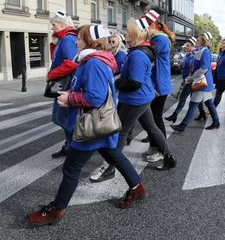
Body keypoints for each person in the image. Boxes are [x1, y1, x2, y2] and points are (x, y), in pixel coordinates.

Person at [26, 25, 145, 227]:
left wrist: (70, 98)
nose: (75, 41)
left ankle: (56, 210)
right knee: (114, 155)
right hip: (101, 124)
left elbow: (95, 97)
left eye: (80, 38)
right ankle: (137, 188)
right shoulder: (93, 60)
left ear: (90, 41)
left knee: (71, 169)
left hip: (91, 125)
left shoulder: (93, 64)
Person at [89, 18, 176, 182]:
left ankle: (110, 167)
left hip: (135, 98)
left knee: (120, 133)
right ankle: (169, 157)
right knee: (152, 127)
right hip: (141, 97)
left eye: (128, 31)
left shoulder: (137, 54)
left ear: (136, 34)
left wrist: (116, 82)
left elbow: (134, 83)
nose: (125, 33)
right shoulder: (139, 50)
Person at [171, 32, 220, 132]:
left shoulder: (205, 52)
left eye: (198, 40)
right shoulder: (198, 51)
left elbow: (204, 69)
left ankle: (182, 126)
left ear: (203, 41)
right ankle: (216, 122)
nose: (196, 42)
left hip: (202, 83)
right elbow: (193, 66)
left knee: (193, 104)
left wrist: (191, 78)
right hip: (200, 82)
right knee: (210, 104)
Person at [141, 8, 174, 144]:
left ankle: (162, 148)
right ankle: (153, 137)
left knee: (156, 117)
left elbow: (145, 56)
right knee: (151, 116)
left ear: (151, 25)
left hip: (158, 84)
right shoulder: (156, 38)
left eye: (143, 26)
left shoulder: (159, 39)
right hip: (156, 82)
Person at [48, 10, 78, 159]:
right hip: (63, 83)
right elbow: (58, 59)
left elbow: (71, 63)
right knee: (61, 118)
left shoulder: (67, 39)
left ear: (61, 24)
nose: (52, 28)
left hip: (64, 84)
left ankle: (75, 145)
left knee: (61, 118)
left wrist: (51, 74)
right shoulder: (63, 39)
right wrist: (53, 45)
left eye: (53, 25)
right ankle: (69, 146)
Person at [164, 37, 197, 123]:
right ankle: (203, 113)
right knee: (198, 101)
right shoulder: (187, 55)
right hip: (185, 79)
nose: (186, 47)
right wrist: (181, 65)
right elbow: (184, 65)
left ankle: (174, 115)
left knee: (183, 98)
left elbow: (196, 68)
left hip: (191, 81)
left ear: (194, 46)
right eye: (186, 45)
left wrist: (191, 77)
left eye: (188, 46)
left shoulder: (195, 56)